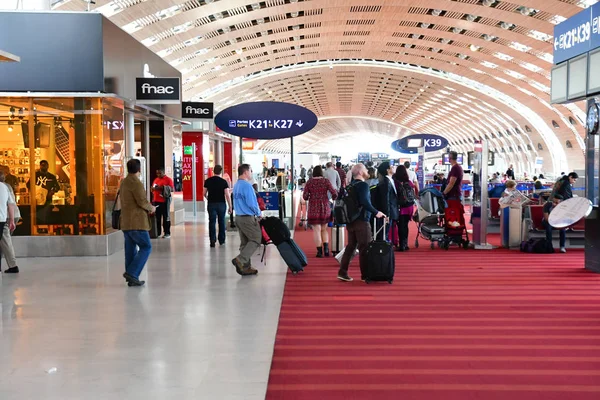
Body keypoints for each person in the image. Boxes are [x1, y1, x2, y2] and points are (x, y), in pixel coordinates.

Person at [338, 164, 387, 282]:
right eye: (365, 169)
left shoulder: (350, 186)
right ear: (360, 172)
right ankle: (366, 275)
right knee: (365, 248)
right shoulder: (363, 186)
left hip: (351, 220)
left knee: (351, 247)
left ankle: (342, 272)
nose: (367, 171)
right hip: (362, 220)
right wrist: (376, 212)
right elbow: (365, 202)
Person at [120, 159, 156, 287]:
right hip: (137, 222)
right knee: (146, 247)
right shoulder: (136, 183)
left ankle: (131, 278)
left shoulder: (124, 182)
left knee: (130, 249)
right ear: (139, 169)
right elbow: (142, 201)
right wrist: (152, 208)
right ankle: (132, 273)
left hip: (125, 221)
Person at [231, 164, 261, 276]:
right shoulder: (247, 186)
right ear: (245, 172)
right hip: (247, 218)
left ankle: (245, 267)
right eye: (250, 171)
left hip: (238, 216)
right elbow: (252, 203)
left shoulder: (237, 185)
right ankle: (241, 259)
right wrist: (258, 213)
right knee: (256, 238)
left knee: (245, 242)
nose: (251, 173)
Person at [302, 166, 337, 257]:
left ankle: (319, 252)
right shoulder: (326, 181)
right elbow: (334, 193)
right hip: (325, 206)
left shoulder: (310, 182)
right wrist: (333, 198)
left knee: (317, 230)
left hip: (313, 207)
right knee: (324, 229)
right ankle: (326, 250)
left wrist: (310, 196)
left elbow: (305, 196)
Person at [204, 165, 232, 248]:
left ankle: (212, 240)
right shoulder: (223, 182)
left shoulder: (208, 181)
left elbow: (204, 193)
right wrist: (230, 206)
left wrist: (208, 198)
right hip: (221, 204)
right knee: (221, 221)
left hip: (211, 204)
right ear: (221, 172)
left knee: (212, 222)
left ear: (213, 171)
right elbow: (227, 195)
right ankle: (222, 240)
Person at [372, 162, 398, 244]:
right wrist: (387, 214)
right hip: (388, 211)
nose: (394, 167)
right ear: (387, 170)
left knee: (385, 232)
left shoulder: (390, 180)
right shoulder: (386, 182)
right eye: (392, 166)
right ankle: (382, 250)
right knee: (384, 233)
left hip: (390, 210)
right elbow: (385, 199)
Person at [393, 165, 415, 252]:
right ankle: (405, 244)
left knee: (400, 226)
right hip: (409, 206)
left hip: (401, 207)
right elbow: (413, 188)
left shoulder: (395, 182)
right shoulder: (408, 181)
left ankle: (401, 245)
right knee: (405, 225)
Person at [0, 171, 17, 273]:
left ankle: (13, 265)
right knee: (5, 241)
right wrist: (12, 220)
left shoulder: (6, 187)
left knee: (5, 241)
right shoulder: (6, 187)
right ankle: (12, 265)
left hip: (5, 217)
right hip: (4, 217)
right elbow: (11, 204)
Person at [151, 168, 174, 239]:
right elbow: (153, 188)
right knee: (157, 217)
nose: (158, 174)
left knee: (165, 217)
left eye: (160, 173)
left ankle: (167, 232)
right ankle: (157, 232)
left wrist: (161, 188)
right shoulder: (156, 180)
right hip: (156, 200)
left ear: (163, 172)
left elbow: (171, 188)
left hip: (164, 201)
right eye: (157, 173)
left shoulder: (168, 180)